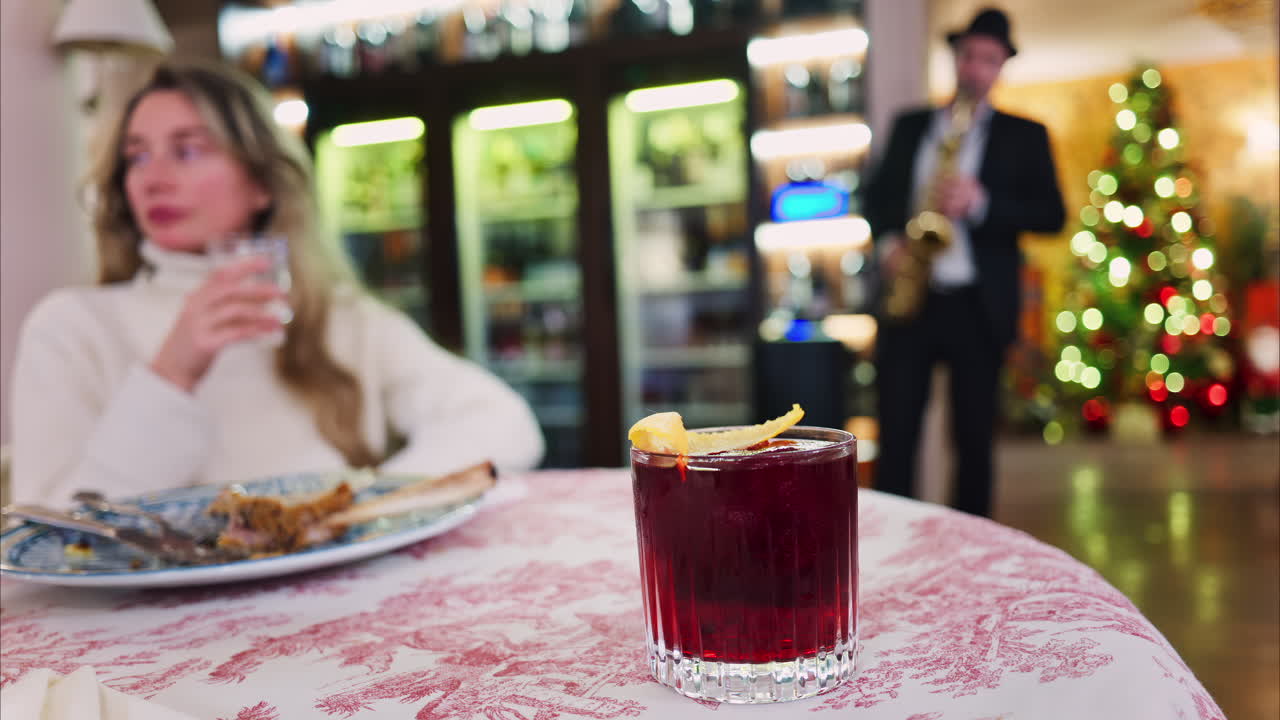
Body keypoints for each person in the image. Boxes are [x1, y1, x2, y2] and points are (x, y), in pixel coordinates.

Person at [9, 60, 544, 505]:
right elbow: (54, 532)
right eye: (136, 156)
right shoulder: (72, 325)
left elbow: (501, 422)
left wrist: (368, 508)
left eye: (188, 149)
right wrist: (173, 373)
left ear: (262, 182)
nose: (152, 177)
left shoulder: (336, 313)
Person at [861, 7, 1065, 517]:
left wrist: (981, 204)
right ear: (957, 57)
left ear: (1001, 67)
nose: (976, 68)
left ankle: (970, 548)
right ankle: (894, 535)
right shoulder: (911, 127)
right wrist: (890, 244)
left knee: (974, 441)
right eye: (970, 55)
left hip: (979, 305)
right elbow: (879, 200)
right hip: (914, 299)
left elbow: (1053, 214)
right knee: (898, 431)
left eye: (989, 60)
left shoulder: (1026, 134)